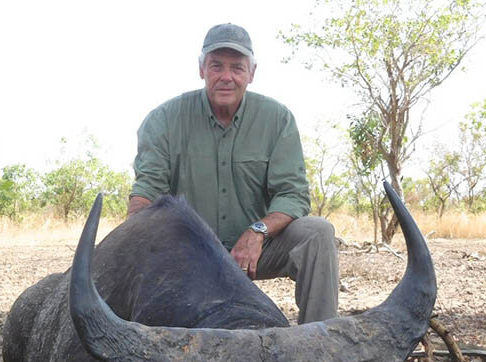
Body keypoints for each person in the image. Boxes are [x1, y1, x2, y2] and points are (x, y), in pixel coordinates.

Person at [128, 23, 339, 324]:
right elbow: (147, 190)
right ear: (202, 69)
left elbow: (292, 194)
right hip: (189, 254)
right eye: (217, 66)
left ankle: (320, 346)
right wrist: (136, 232)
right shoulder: (163, 119)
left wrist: (257, 232)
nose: (226, 77)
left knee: (318, 233)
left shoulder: (277, 119)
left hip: (255, 250)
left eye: (237, 68)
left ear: (252, 73)